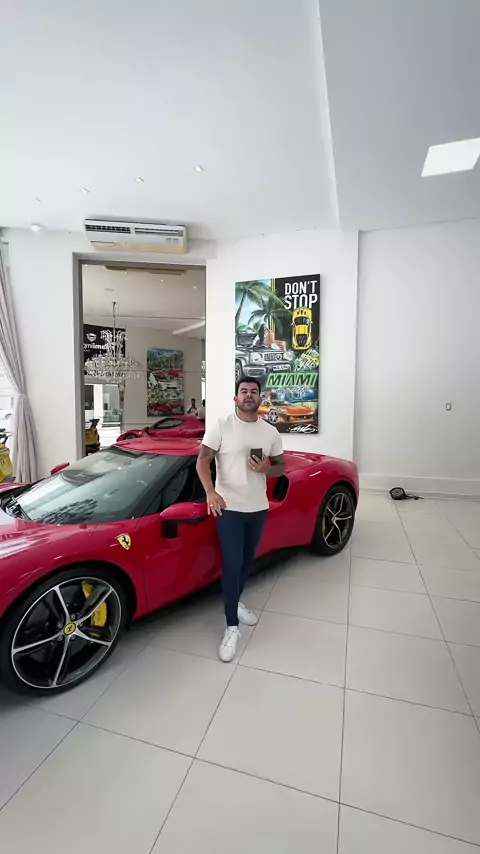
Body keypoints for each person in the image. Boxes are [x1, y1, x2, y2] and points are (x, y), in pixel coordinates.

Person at [196, 376, 285, 662]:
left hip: (257, 508)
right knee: (232, 564)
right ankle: (231, 627)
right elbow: (202, 461)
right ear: (236, 398)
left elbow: (280, 468)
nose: (248, 395)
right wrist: (210, 492)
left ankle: (235, 602)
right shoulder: (221, 425)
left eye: (254, 392)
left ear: (260, 398)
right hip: (229, 508)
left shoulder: (270, 432)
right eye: (243, 391)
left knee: (247, 562)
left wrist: (266, 469)